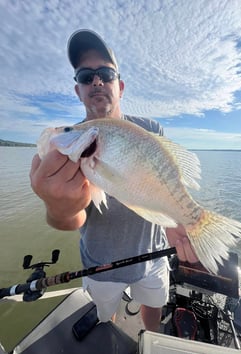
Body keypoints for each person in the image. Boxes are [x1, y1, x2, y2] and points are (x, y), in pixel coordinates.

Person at [30, 29, 199, 332]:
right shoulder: (76, 147)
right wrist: (58, 209)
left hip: (153, 255)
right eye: (85, 76)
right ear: (78, 90)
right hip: (101, 264)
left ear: (119, 87)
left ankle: (150, 337)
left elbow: (165, 184)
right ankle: (109, 326)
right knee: (105, 314)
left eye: (105, 73)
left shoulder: (149, 128)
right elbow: (75, 217)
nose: (96, 81)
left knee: (153, 306)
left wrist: (179, 221)